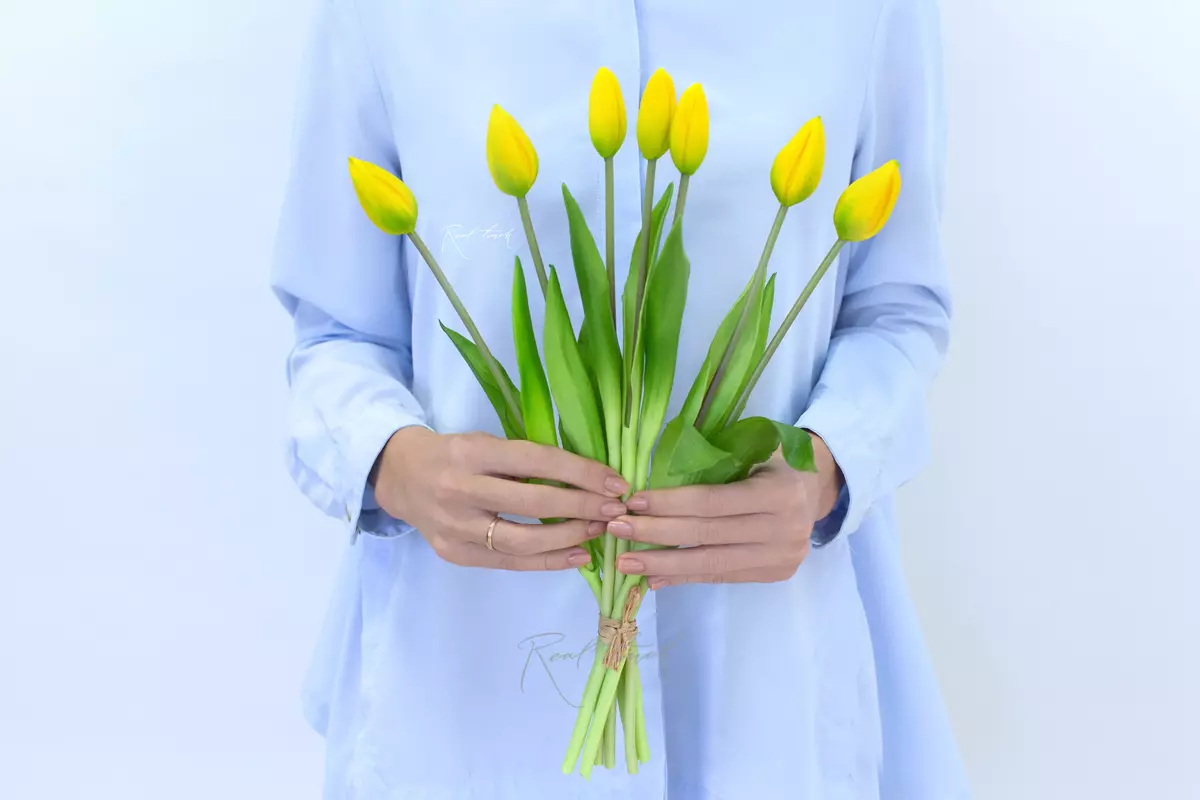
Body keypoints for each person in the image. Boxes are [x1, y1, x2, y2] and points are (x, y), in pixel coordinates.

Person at [271, 0, 969, 797]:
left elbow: (898, 308)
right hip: (467, 660)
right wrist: (399, 465)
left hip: (760, 661)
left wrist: (826, 469)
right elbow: (334, 332)